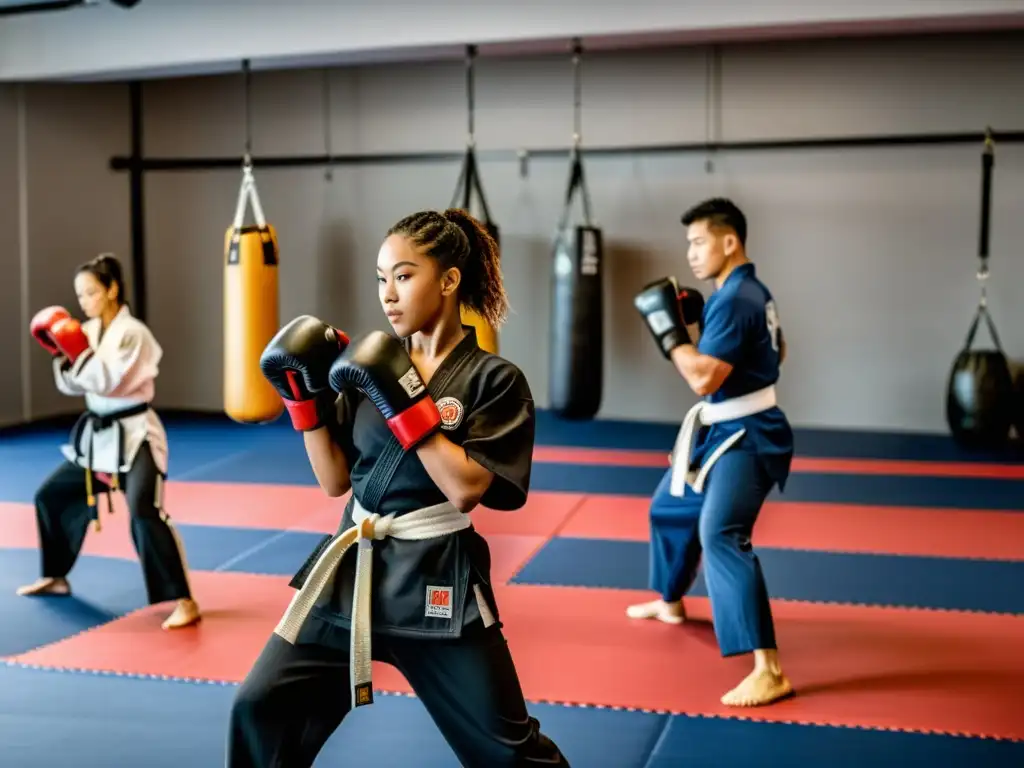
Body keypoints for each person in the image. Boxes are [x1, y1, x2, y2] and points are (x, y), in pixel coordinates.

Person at [228, 208, 569, 767]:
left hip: (435, 578)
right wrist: (305, 403)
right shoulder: (366, 367)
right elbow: (336, 480)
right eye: (381, 278)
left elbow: (465, 491)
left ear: (449, 280)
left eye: (404, 276)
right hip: (352, 570)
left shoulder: (493, 380)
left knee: (508, 755)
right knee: (259, 708)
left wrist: (407, 402)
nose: (388, 293)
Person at [629, 197, 794, 708]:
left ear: (729, 241)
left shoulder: (737, 299)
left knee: (721, 534)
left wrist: (672, 334)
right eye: (689, 244)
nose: (692, 253)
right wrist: (704, 328)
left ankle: (769, 670)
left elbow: (703, 378)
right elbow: (779, 350)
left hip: (748, 436)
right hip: (721, 431)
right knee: (670, 507)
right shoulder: (745, 292)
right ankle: (671, 601)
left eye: (699, 242)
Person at [19, 254, 200, 631]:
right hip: (99, 440)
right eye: (80, 295)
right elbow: (71, 384)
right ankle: (56, 575)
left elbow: (107, 382)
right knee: (51, 495)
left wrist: (78, 353)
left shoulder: (133, 333)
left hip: (135, 437)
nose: (84, 302)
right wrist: (61, 354)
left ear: (112, 289)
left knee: (143, 510)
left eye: (90, 292)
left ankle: (184, 600)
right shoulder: (86, 331)